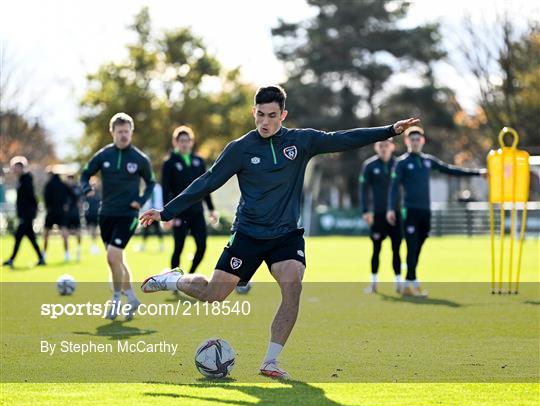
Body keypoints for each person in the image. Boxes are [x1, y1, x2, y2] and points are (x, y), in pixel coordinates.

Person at [139, 85, 420, 379]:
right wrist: (166, 212)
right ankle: (173, 280)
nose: (264, 122)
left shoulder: (301, 141)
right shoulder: (240, 148)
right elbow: (208, 181)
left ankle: (270, 361)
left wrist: (389, 130)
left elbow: (343, 139)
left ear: (283, 115)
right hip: (248, 233)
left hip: (286, 234)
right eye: (260, 114)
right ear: (253, 112)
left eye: (272, 115)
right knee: (213, 294)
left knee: (293, 284)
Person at [387, 126, 486, 297]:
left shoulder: (428, 161)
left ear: (422, 141)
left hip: (425, 211)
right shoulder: (402, 163)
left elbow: (451, 170)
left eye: (418, 139)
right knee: (411, 247)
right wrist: (390, 208)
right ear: (407, 141)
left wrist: (477, 173)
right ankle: (410, 283)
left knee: (419, 246)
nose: (415, 142)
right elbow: (394, 187)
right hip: (409, 210)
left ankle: (410, 280)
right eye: (412, 139)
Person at [80, 112, 155, 320]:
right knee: (116, 260)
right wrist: (86, 188)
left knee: (113, 256)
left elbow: (150, 183)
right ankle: (131, 299)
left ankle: (115, 301)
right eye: (120, 131)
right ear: (112, 132)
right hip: (106, 214)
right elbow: (85, 173)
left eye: (127, 131)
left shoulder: (140, 159)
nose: (123, 135)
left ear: (132, 132)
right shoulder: (103, 155)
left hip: (128, 215)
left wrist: (140, 201)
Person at [161, 126, 218, 271]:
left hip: (197, 212)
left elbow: (205, 187)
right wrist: (167, 214)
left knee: (202, 246)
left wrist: (211, 209)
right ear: (175, 142)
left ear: (191, 142)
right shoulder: (169, 163)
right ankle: (174, 280)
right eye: (181, 141)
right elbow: (166, 191)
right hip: (179, 212)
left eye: (187, 140)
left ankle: (190, 275)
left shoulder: (198, 161)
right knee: (178, 247)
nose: (184, 143)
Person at [360, 138, 402, 294]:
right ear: (376, 147)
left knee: (396, 249)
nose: (384, 148)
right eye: (381, 145)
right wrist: (366, 210)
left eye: (386, 145)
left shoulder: (399, 165)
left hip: (396, 214)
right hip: (377, 214)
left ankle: (399, 283)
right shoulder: (369, 166)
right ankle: (373, 283)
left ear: (392, 146)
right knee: (376, 249)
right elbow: (363, 190)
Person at [3, 156, 45, 267]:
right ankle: (41, 258)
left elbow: (30, 196)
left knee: (18, 236)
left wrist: (31, 213)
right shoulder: (21, 179)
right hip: (24, 214)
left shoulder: (26, 179)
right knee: (31, 238)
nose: (13, 170)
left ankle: (11, 259)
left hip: (26, 215)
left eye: (15, 167)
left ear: (20, 167)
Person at [43, 170, 70, 261]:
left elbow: (46, 198)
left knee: (46, 234)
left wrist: (48, 207)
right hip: (61, 212)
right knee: (64, 233)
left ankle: (44, 254)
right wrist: (66, 205)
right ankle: (67, 254)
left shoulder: (48, 185)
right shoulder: (63, 184)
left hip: (51, 212)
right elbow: (71, 195)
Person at [137, 182, 164, 252]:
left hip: (156, 211)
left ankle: (161, 246)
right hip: (150, 211)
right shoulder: (150, 187)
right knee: (147, 229)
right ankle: (144, 246)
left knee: (156, 229)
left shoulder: (158, 188)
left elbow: (160, 199)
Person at [65, 174, 83, 262]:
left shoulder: (77, 188)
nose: (69, 181)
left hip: (75, 214)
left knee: (78, 233)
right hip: (66, 215)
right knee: (65, 234)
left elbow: (80, 201)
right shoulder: (63, 188)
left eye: (70, 179)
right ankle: (67, 253)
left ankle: (78, 250)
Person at [83, 178, 101, 255]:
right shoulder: (88, 194)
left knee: (95, 230)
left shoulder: (98, 194)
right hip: (89, 214)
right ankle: (93, 244)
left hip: (96, 214)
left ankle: (94, 244)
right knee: (90, 229)